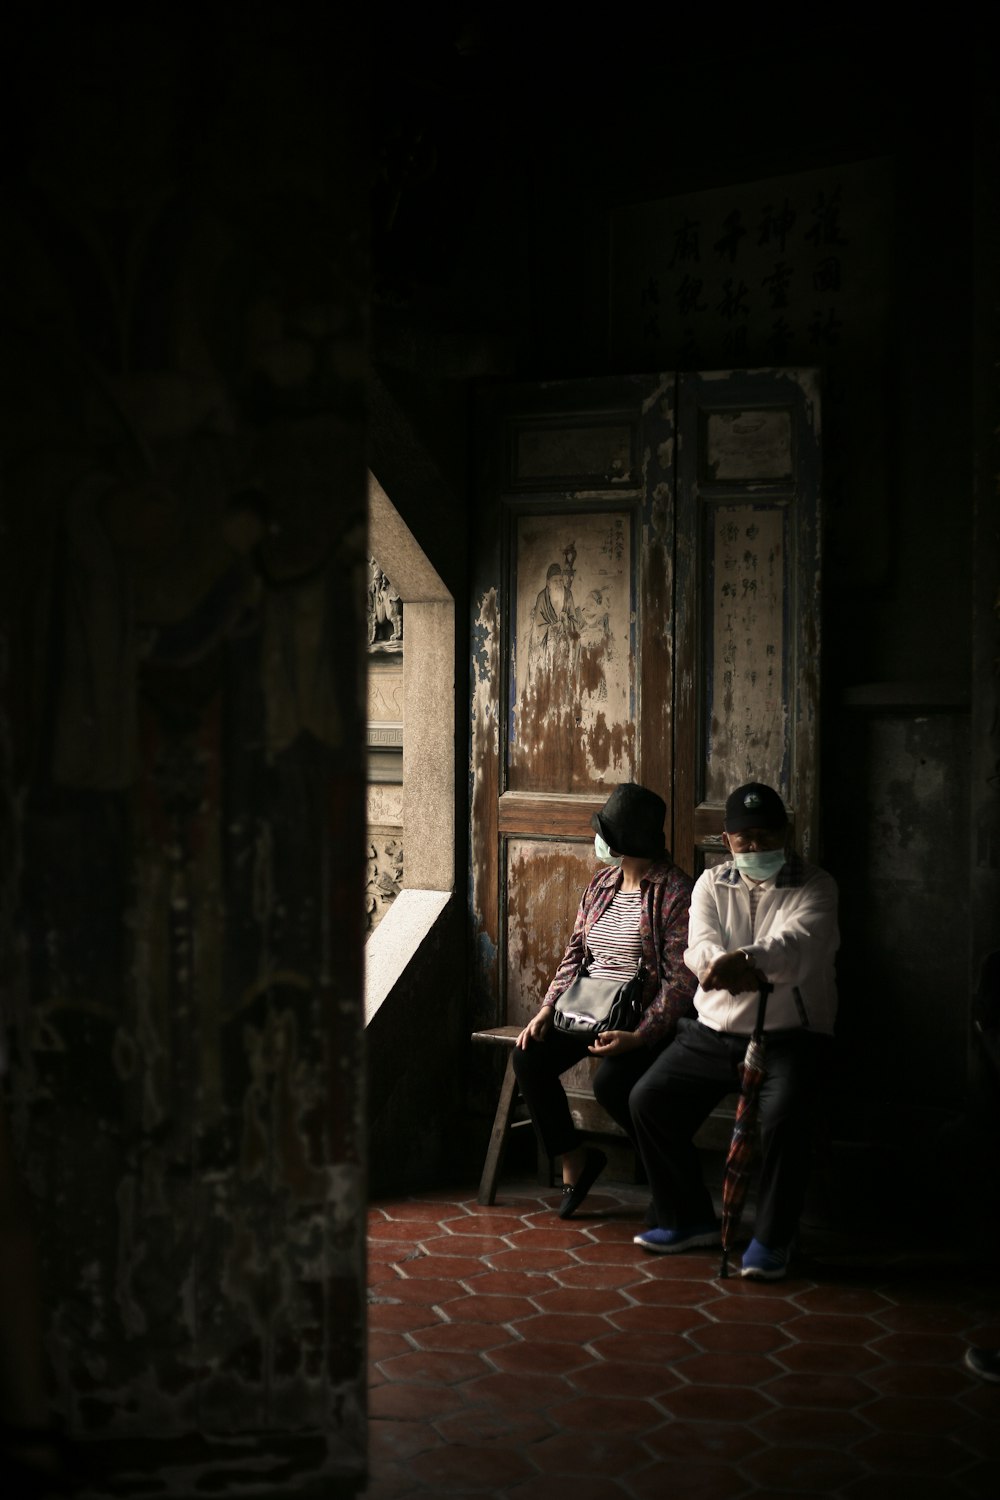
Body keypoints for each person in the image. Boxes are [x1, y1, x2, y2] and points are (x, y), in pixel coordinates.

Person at [630, 782, 838, 1280]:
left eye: (767, 838)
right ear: (727, 840)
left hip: (789, 1035)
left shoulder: (816, 885)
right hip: (714, 1031)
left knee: (786, 1117)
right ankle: (688, 1220)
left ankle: (773, 1239)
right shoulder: (710, 883)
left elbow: (796, 947)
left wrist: (745, 960)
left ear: (785, 835)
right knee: (648, 1100)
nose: (756, 849)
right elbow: (700, 945)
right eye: (745, 841)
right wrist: (714, 965)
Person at [513, 782, 697, 1218]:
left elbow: (680, 981)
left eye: (605, 831)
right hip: (585, 1005)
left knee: (612, 1085)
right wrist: (546, 1008)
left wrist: (641, 1036)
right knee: (529, 1055)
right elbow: (576, 954)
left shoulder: (674, 891)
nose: (598, 840)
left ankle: (667, 1182)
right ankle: (574, 1158)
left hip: (636, 1017)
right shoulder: (602, 883)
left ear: (623, 840)